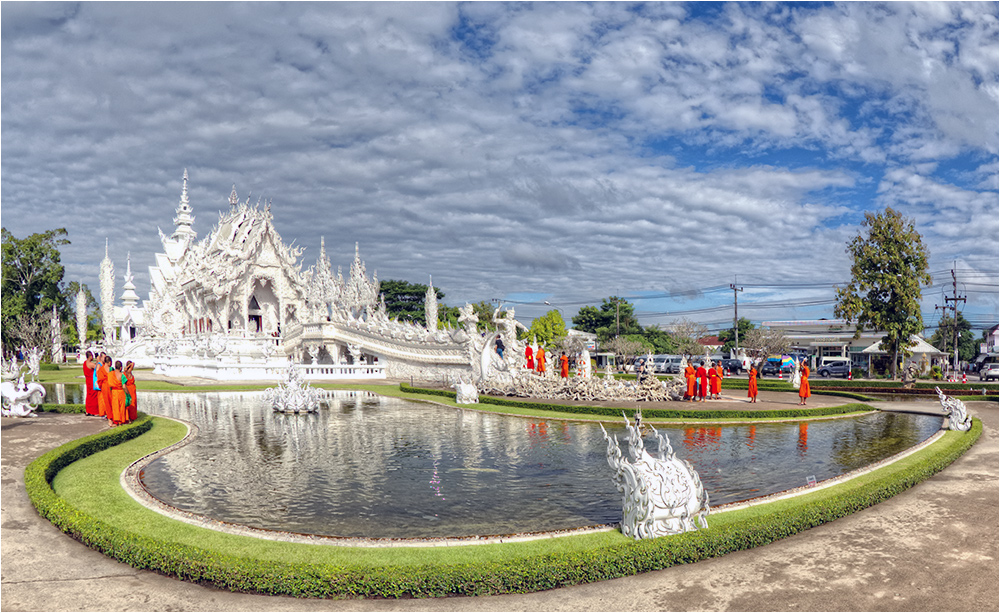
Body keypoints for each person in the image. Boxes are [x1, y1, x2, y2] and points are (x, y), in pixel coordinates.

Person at [108, 360, 127, 426]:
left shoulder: (110, 374)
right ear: (121, 368)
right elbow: (124, 386)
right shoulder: (122, 375)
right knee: (121, 406)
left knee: (115, 406)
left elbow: (109, 384)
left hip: (113, 392)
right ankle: (121, 421)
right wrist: (127, 393)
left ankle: (116, 420)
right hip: (121, 391)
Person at [83, 351, 100, 416]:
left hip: (88, 380)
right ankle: (94, 411)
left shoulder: (85, 363)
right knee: (94, 395)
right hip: (92, 381)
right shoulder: (90, 364)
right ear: (90, 356)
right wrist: (98, 360)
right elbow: (98, 367)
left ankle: (88, 410)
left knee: (89, 395)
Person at [96, 354, 110, 419]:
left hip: (105, 385)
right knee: (107, 400)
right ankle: (107, 413)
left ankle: (107, 413)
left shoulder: (102, 368)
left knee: (106, 400)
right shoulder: (109, 369)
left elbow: (99, 377)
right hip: (107, 385)